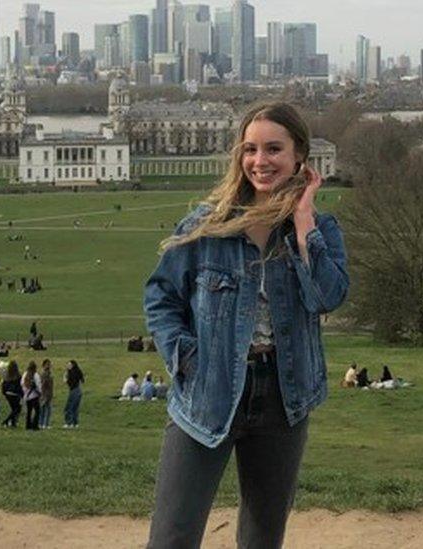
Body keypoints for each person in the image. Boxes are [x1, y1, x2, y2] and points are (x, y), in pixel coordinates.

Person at [143, 102, 348, 548]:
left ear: (299, 157)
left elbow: (328, 297)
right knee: (172, 537)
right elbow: (160, 297)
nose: (260, 161)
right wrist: (187, 359)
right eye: (250, 149)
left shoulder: (320, 230)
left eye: (274, 148)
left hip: (283, 396)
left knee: (262, 538)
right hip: (208, 390)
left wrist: (303, 224)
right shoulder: (207, 224)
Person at [63, 359, 85, 428]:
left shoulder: (71, 373)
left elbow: (70, 383)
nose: (68, 366)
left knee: (69, 407)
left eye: (69, 365)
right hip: (79, 390)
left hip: (73, 391)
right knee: (75, 408)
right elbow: (82, 380)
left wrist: (65, 378)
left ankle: (69, 423)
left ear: (72, 365)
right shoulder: (78, 371)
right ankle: (75, 423)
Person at [0, 361, 23, 428]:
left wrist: (4, 392)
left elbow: (4, 384)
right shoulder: (18, 376)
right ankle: (6, 421)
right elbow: (20, 386)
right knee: (17, 409)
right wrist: (22, 394)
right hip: (15, 394)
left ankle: (13, 423)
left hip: (8, 394)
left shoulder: (7, 376)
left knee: (14, 409)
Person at [22, 361, 42, 430]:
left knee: (29, 411)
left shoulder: (25, 374)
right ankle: (35, 425)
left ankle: (28, 425)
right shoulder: (35, 375)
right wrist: (40, 392)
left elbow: (22, 383)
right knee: (37, 411)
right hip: (34, 395)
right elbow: (38, 384)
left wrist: (25, 391)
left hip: (27, 395)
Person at [39, 359, 54, 430]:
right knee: (47, 410)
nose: (50, 365)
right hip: (46, 394)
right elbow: (44, 384)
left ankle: (41, 423)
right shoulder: (46, 374)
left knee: (43, 409)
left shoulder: (43, 373)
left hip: (44, 393)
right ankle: (45, 424)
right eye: (49, 364)